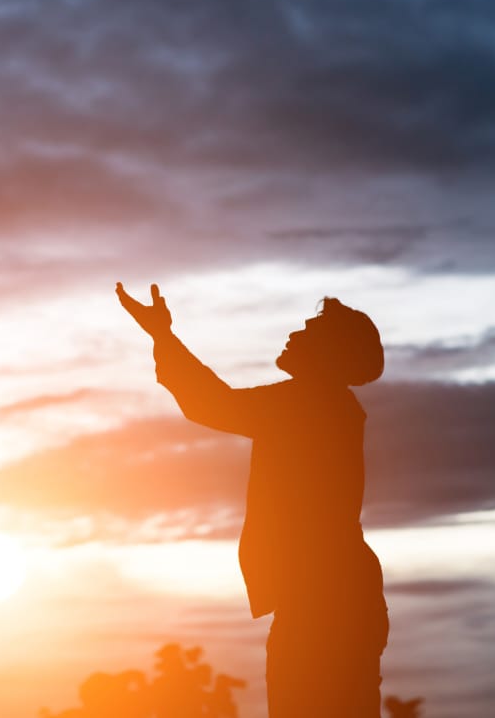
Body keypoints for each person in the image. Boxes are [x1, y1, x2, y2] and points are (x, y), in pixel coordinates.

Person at [117, 282, 389, 718]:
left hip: (322, 603)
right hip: (333, 595)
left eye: (311, 329)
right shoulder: (330, 405)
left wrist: (162, 336)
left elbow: (211, 403)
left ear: (329, 352)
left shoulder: (308, 404)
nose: (296, 332)